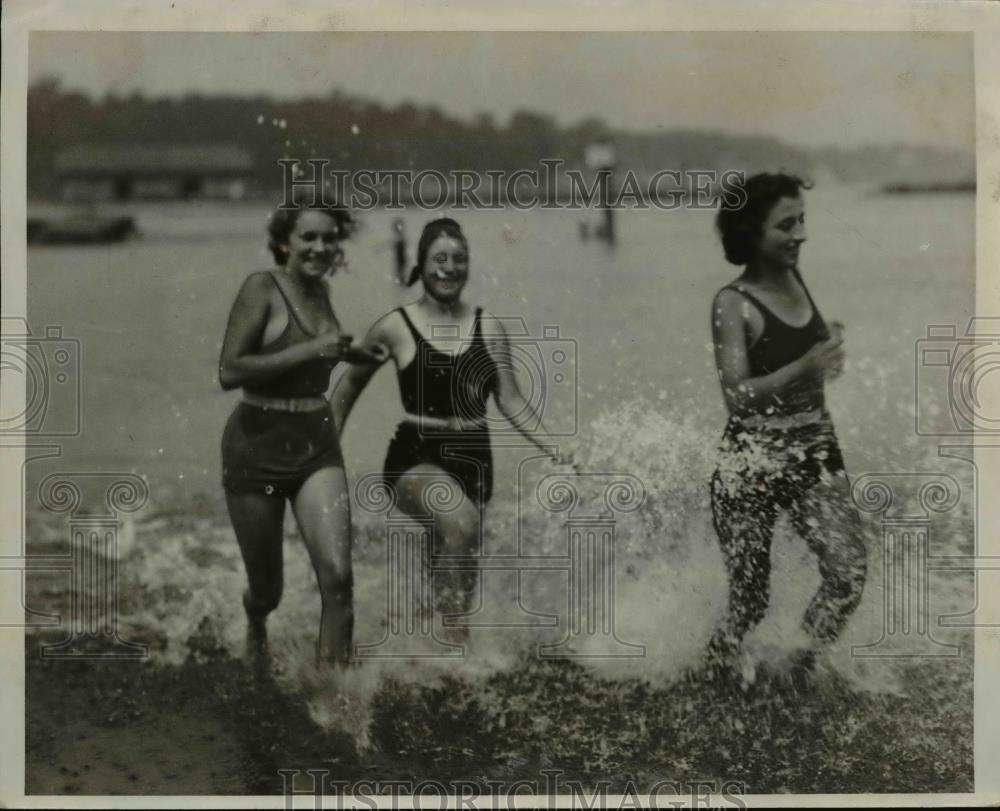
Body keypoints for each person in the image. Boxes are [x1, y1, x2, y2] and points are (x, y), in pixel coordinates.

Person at [332, 217, 567, 632]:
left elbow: (511, 399)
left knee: (453, 556)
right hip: (415, 454)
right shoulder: (395, 326)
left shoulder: (489, 327)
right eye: (439, 258)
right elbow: (348, 385)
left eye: (459, 259)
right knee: (459, 522)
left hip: (476, 457)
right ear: (420, 265)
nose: (449, 267)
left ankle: (418, 639)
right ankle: (457, 655)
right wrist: (323, 449)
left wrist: (558, 448)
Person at [707, 172, 866, 684]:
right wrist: (807, 365)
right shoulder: (733, 303)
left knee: (848, 573)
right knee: (752, 600)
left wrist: (829, 353)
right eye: (785, 224)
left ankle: (799, 668)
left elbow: (813, 365)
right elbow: (735, 395)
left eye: (802, 220)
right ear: (753, 232)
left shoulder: (796, 277)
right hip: (750, 460)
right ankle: (712, 668)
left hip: (815, 448)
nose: (800, 234)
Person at [218, 198, 380, 668]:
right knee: (269, 591)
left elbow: (317, 363)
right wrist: (314, 349)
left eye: (329, 238)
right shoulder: (262, 288)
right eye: (309, 237)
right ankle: (255, 623)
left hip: (316, 447)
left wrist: (357, 355)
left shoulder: (322, 291)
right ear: (285, 241)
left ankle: (333, 697)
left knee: (338, 577)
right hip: (256, 445)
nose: (320, 247)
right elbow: (230, 370)